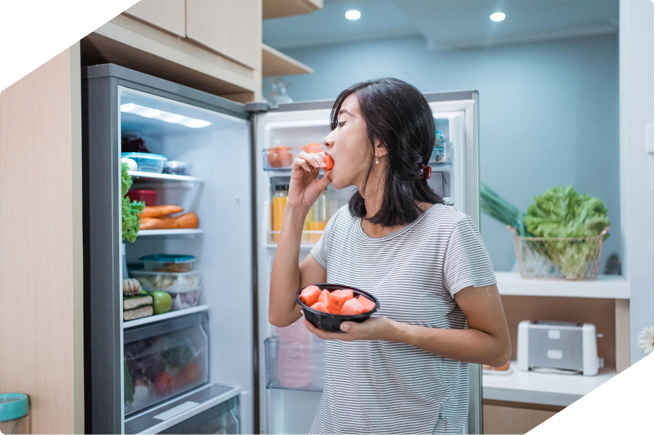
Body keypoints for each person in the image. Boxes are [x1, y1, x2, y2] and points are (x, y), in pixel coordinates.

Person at [268, 77, 512, 435]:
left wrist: (391, 331)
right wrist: (295, 209)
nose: (327, 138)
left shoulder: (449, 231)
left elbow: (497, 349)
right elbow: (281, 311)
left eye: (343, 122)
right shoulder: (342, 226)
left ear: (380, 142)